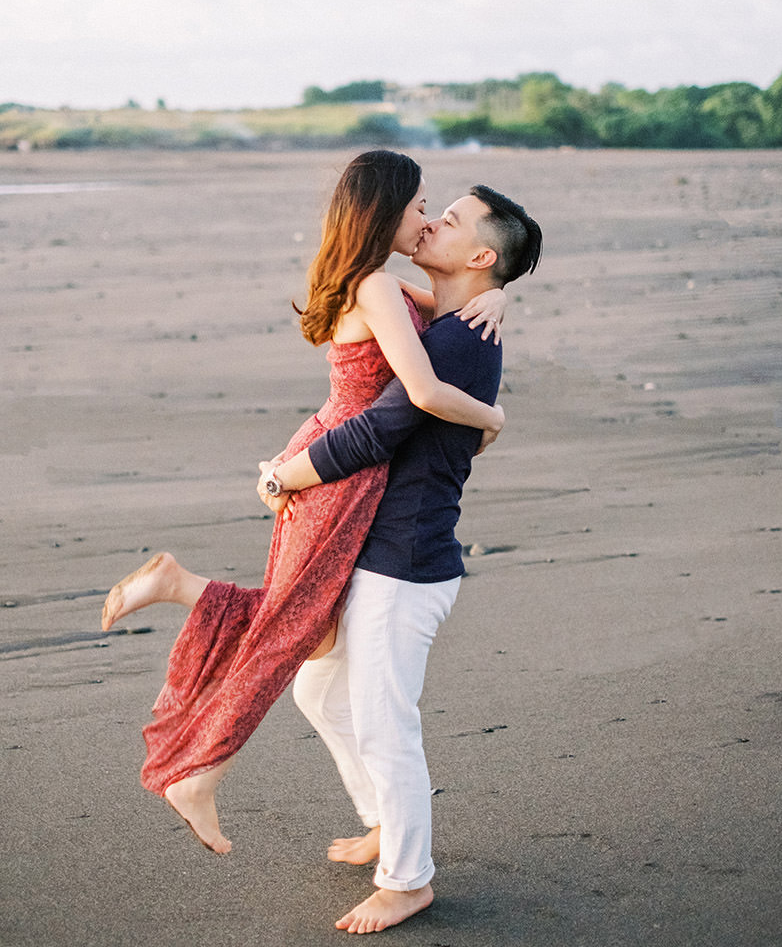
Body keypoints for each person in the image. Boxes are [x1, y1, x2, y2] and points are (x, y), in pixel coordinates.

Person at [100, 151, 507, 855]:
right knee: (290, 632)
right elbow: (417, 394)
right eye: (418, 208)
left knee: (309, 632)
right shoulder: (380, 287)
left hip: (331, 458)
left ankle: (182, 587)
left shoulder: (378, 282)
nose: (425, 220)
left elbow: (453, 303)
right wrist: (493, 419)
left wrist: (500, 292)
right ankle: (201, 774)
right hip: (335, 473)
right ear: (385, 212)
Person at [258, 184, 543, 933]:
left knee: (385, 723)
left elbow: (377, 431)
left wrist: (282, 475)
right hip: (382, 550)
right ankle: (387, 822)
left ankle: (408, 878)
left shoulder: (457, 340)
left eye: (449, 220)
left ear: (480, 256)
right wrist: (506, 296)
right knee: (319, 694)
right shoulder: (447, 317)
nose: (432, 220)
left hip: (406, 561)